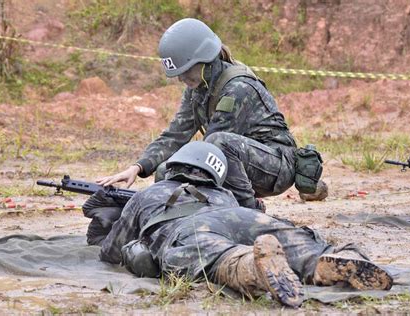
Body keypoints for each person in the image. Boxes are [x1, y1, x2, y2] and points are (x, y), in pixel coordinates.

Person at [99, 141, 393, 308]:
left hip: (189, 230)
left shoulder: (149, 193)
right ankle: (332, 260)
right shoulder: (224, 193)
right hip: (244, 217)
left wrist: (106, 221)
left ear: (170, 168)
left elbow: (112, 250)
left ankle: (256, 268)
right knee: (295, 240)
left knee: (224, 257)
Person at [96, 18, 326, 211]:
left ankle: (250, 213)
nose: (181, 79)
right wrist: (137, 168)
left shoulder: (238, 88)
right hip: (239, 163)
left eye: (186, 71)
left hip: (275, 166)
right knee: (167, 171)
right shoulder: (198, 88)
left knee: (214, 146)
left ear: (205, 61)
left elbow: (210, 151)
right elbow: (175, 135)